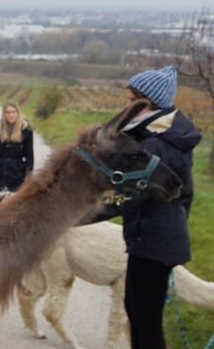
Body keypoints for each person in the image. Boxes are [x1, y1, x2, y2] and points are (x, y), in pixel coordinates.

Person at [93, 66, 201, 349]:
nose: (125, 107)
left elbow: (125, 197)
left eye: (130, 101)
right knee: (137, 312)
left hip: (156, 243)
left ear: (147, 103)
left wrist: (68, 217)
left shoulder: (157, 147)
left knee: (146, 320)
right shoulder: (157, 138)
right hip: (152, 239)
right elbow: (184, 196)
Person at [0, 102, 34, 192]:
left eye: (13, 112)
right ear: (4, 114)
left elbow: (30, 158)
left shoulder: (26, 131)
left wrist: (28, 179)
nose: (11, 115)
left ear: (18, 113)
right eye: (8, 112)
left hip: (16, 177)